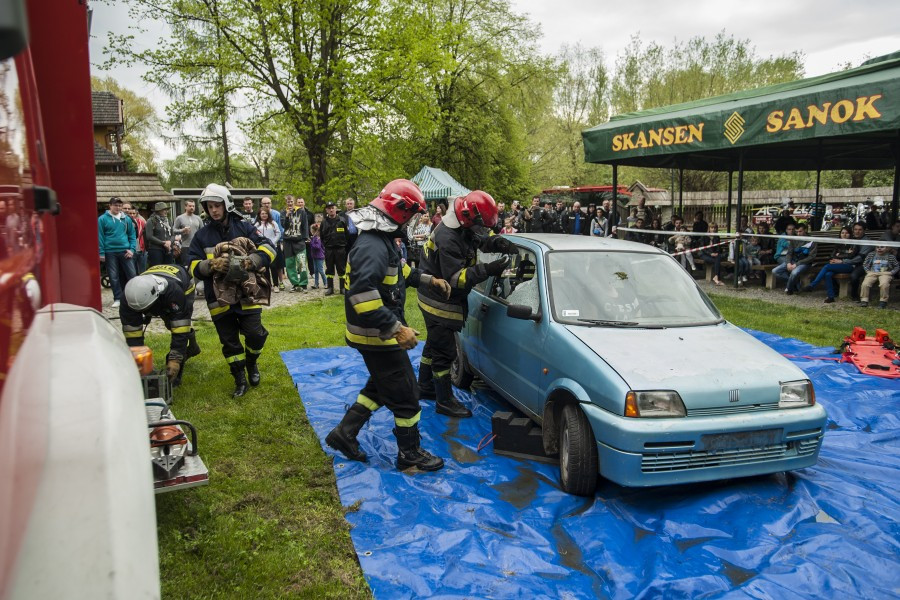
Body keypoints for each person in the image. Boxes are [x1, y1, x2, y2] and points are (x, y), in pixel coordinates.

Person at [325, 179, 452, 471]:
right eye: (411, 215)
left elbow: (400, 270)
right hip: (376, 336)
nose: (412, 221)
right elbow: (362, 296)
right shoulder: (372, 245)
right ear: (401, 212)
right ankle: (410, 454)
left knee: (382, 385)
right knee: (407, 394)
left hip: (374, 334)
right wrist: (396, 328)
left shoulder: (381, 240)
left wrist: (428, 280)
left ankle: (344, 434)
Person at [417, 190, 517, 418]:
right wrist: (488, 270)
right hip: (438, 299)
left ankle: (424, 386)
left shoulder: (462, 224)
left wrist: (497, 242)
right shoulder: (447, 238)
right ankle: (444, 400)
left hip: (432, 294)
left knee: (433, 344)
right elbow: (456, 279)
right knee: (445, 352)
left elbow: (478, 240)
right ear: (468, 218)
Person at [188, 183, 276, 398]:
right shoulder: (202, 236)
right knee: (229, 341)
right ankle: (239, 379)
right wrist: (209, 266)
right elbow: (190, 265)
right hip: (217, 297)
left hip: (248, 293)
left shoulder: (245, 227)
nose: (213, 210)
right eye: (209, 207)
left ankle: (252, 362)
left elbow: (269, 248)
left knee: (255, 334)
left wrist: (253, 260)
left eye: (217, 205)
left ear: (226, 204)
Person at [121, 263, 200, 387]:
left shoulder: (173, 292)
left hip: (184, 286)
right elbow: (132, 334)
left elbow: (180, 329)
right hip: (155, 290)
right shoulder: (128, 298)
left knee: (175, 326)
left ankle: (178, 371)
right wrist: (139, 362)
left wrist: (175, 358)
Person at [98, 196, 137, 308]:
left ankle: (133, 297)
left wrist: (132, 249)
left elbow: (132, 235)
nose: (118, 207)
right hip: (110, 251)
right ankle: (118, 298)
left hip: (125, 251)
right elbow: (100, 236)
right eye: (115, 205)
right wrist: (101, 253)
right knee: (113, 276)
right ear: (110, 206)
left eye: (120, 205)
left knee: (132, 275)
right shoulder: (102, 219)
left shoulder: (127, 219)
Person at [802, 226, 859, 303]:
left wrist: (840, 257)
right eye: (842, 233)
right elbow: (832, 255)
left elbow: (851, 256)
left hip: (849, 265)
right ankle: (831, 296)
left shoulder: (854, 243)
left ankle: (812, 285)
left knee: (827, 266)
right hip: (837, 265)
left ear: (850, 234)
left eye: (846, 233)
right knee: (828, 274)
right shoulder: (838, 243)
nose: (844, 235)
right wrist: (842, 255)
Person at [773, 222, 817, 294]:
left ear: (805, 230)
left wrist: (796, 264)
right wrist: (788, 263)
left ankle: (789, 288)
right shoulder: (794, 239)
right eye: (796, 232)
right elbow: (789, 253)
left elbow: (811, 257)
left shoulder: (812, 240)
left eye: (800, 231)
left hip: (804, 263)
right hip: (793, 261)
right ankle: (794, 283)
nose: (798, 234)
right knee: (775, 271)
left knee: (794, 272)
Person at [320, 201, 350, 296]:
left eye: (333, 208)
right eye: (329, 208)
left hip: (340, 248)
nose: (331, 210)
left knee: (341, 268)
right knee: (329, 269)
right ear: (326, 210)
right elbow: (321, 236)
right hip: (329, 249)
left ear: (336, 209)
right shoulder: (324, 222)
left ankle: (342, 288)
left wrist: (344, 245)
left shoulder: (342, 220)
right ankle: (330, 288)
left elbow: (347, 235)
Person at [282, 196, 310, 292]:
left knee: (301, 262)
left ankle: (303, 283)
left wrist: (305, 237)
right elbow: (283, 226)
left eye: (291, 201)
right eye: (288, 202)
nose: (290, 203)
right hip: (287, 242)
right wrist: (286, 216)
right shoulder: (283, 212)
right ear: (286, 202)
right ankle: (295, 283)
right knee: (289, 264)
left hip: (299, 241)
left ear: (294, 202)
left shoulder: (301, 212)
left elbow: (305, 225)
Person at [255, 207, 283, 292]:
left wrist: (273, 242)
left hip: (272, 248)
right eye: (262, 213)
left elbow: (278, 233)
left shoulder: (273, 223)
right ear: (259, 215)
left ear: (268, 214)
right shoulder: (257, 225)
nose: (264, 215)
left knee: (273, 266)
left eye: (265, 213)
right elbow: (255, 235)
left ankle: (276, 285)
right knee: (265, 268)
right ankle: (268, 285)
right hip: (262, 249)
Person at [174, 200, 203, 269]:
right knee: (186, 266)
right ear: (185, 207)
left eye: (193, 206)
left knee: (196, 265)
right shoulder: (180, 218)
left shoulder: (198, 218)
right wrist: (182, 230)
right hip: (185, 246)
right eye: (190, 206)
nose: (192, 207)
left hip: (196, 246)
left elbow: (202, 231)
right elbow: (173, 230)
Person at [146, 202, 175, 267]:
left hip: (168, 249)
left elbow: (173, 235)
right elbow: (149, 236)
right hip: (156, 249)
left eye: (166, 210)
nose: (166, 211)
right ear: (158, 211)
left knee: (168, 268)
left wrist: (170, 242)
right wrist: (163, 243)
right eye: (164, 210)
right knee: (157, 269)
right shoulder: (151, 221)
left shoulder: (168, 221)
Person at [122, 202, 147, 274]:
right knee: (132, 272)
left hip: (141, 249)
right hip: (130, 250)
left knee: (142, 271)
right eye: (130, 213)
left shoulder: (141, 222)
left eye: (134, 213)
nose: (132, 215)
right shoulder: (124, 222)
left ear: (137, 214)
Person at [308, 223, 327, 288]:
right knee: (315, 270)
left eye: (312, 231)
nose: (311, 232)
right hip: (314, 256)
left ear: (315, 231)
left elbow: (317, 247)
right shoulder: (314, 238)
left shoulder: (317, 238)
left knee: (320, 270)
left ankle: (326, 283)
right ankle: (316, 284)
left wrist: (311, 243)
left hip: (319, 256)